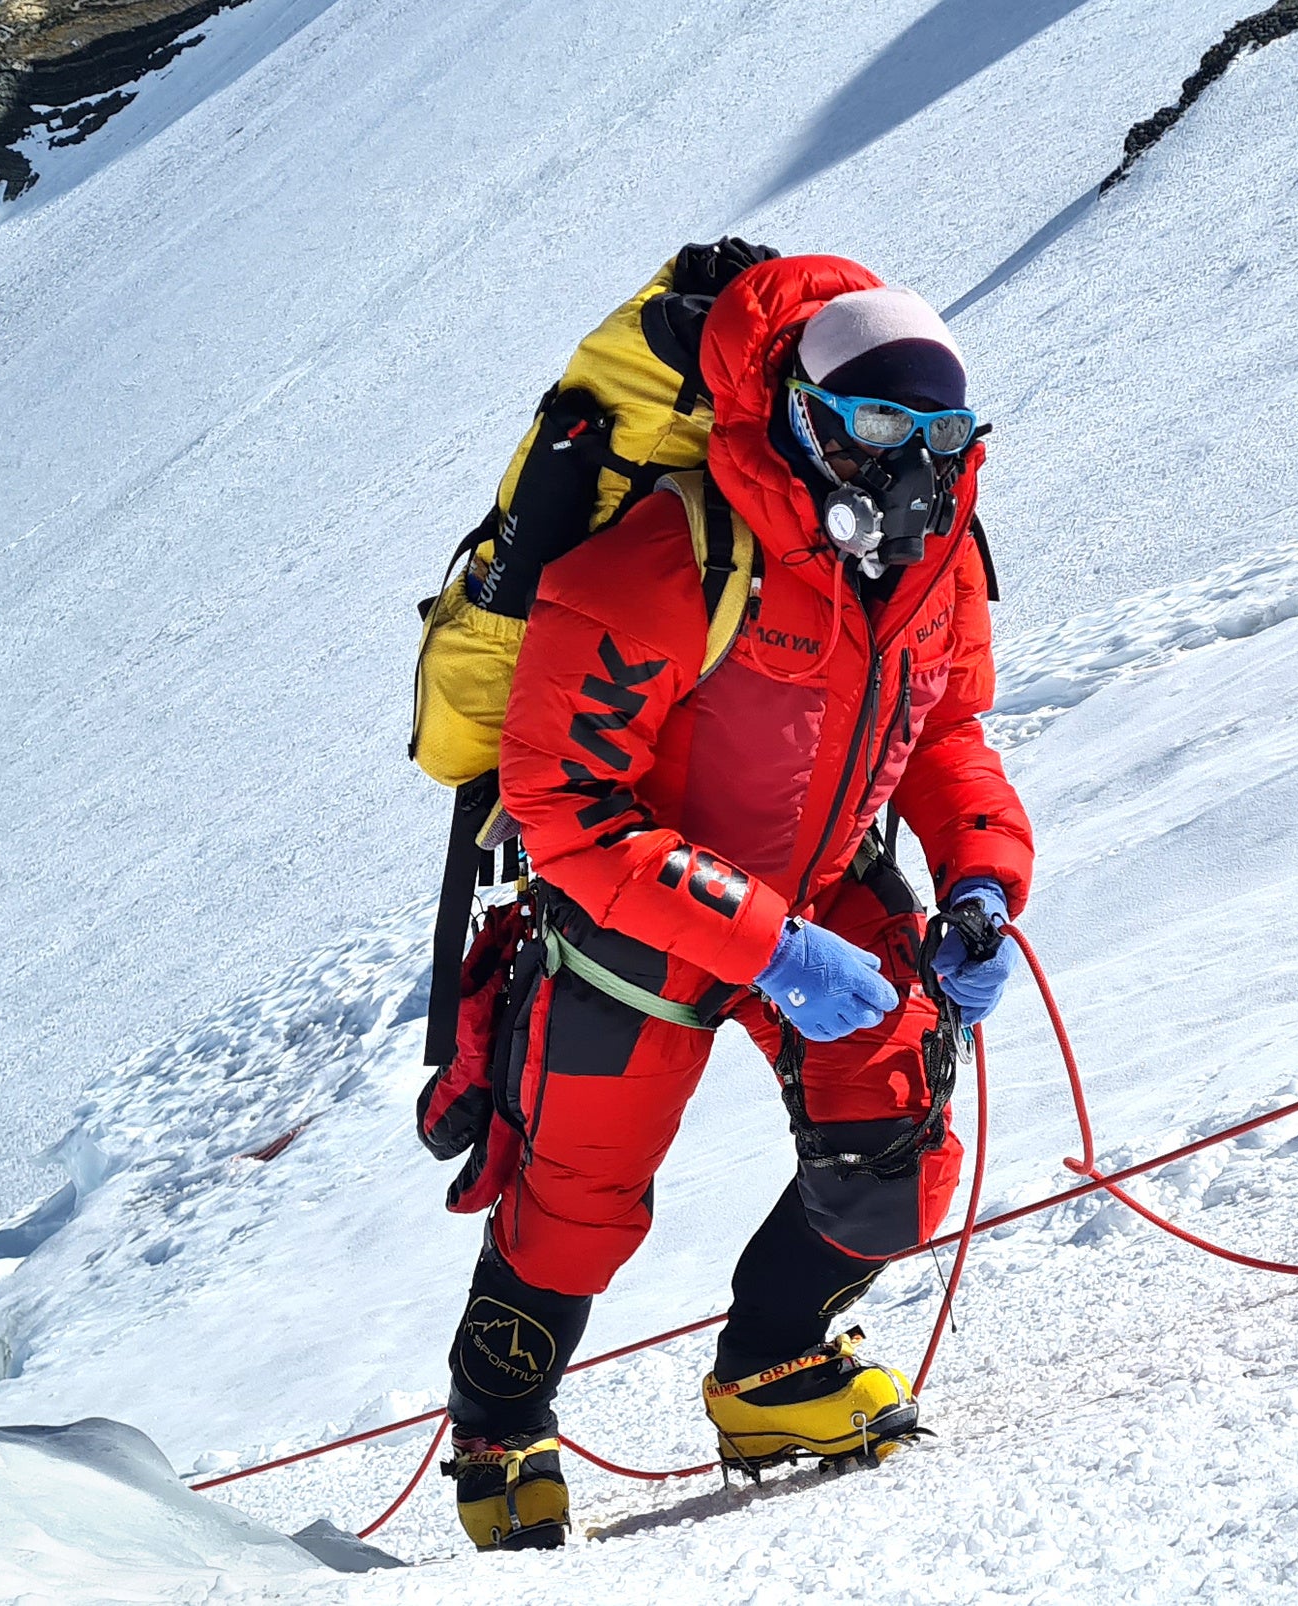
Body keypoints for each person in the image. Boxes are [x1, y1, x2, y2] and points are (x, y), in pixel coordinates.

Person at [438, 256, 1032, 1551]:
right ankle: (499, 1429)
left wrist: (983, 879)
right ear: (801, 414)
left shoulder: (937, 564)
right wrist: (769, 945)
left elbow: (944, 735)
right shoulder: (666, 558)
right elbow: (566, 806)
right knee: (572, 1201)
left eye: (940, 437)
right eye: (877, 426)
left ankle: (774, 1369)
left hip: (822, 887)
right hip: (634, 920)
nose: (911, 466)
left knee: (895, 1144)